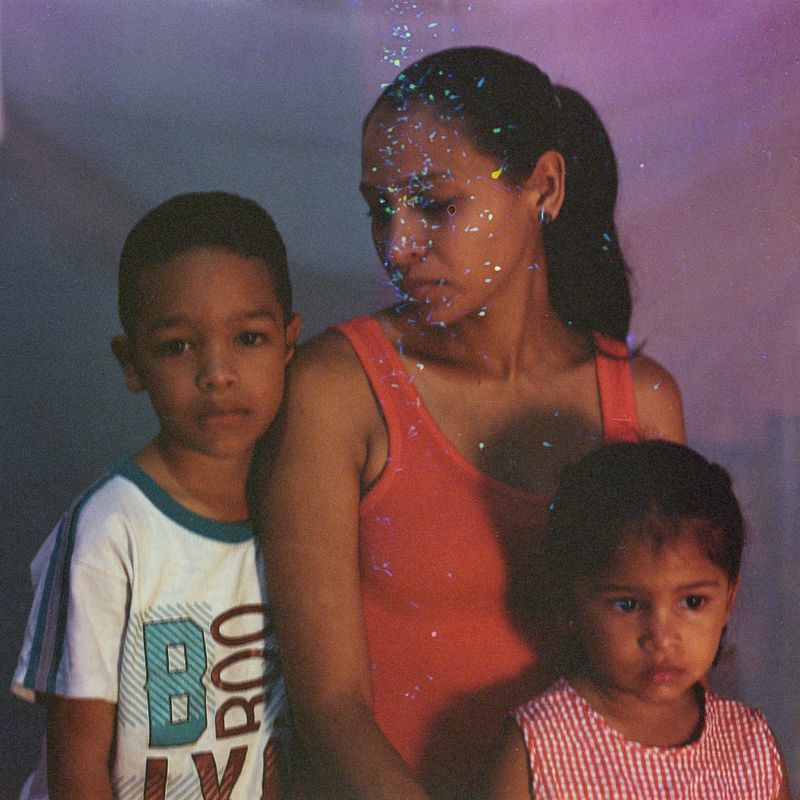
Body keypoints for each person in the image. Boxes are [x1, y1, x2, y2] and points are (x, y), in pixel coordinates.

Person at [254, 47, 685, 800]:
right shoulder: (337, 389)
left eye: (436, 204)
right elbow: (330, 710)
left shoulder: (642, 403)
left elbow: (672, 675)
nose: (398, 246)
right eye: (379, 209)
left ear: (543, 186)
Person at [12, 192, 302, 800]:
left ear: (289, 345)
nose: (217, 373)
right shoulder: (109, 530)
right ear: (131, 360)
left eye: (248, 338)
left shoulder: (299, 514)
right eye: (177, 346)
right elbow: (77, 768)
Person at [486, 440, 791, 799]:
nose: (661, 637)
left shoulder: (750, 745)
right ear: (568, 604)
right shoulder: (537, 746)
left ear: (728, 601)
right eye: (628, 605)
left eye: (693, 602)